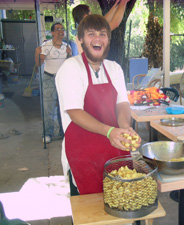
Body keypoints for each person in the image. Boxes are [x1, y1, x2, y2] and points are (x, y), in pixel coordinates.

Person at [55, 14, 141, 195]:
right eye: (91, 34)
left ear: (108, 39)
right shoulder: (71, 68)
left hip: (115, 151)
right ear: (80, 39)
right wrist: (109, 131)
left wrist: (125, 128)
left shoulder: (114, 68)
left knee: (122, 204)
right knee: (90, 215)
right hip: (83, 154)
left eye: (102, 34)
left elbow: (122, 103)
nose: (97, 39)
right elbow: (75, 112)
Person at [35, 23, 72, 144]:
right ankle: (47, 133)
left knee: (63, 107)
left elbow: (70, 64)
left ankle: (63, 132)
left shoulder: (66, 46)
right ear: (52, 33)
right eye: (57, 29)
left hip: (63, 79)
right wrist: (37, 54)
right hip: (49, 78)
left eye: (62, 29)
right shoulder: (46, 46)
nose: (61, 31)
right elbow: (39, 64)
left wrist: (70, 54)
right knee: (48, 107)